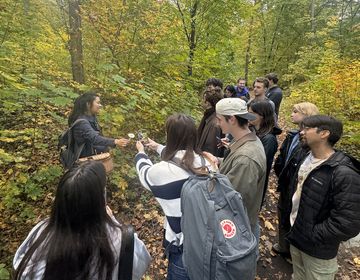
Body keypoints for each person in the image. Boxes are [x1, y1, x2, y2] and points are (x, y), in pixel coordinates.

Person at [13, 161, 151, 280]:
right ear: (100, 199)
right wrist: (113, 220)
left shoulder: (41, 231)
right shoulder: (121, 239)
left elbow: (21, 265)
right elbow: (140, 265)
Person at [135, 114, 215, 280]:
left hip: (184, 247)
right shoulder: (207, 162)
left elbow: (144, 173)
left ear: (169, 136)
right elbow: (182, 156)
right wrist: (157, 147)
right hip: (210, 240)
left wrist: (141, 153)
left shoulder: (162, 171)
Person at [287, 115, 360, 280]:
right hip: (296, 238)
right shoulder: (306, 157)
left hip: (317, 252)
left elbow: (348, 223)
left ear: (324, 133)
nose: (301, 132)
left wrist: (312, 235)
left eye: (307, 129)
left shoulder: (344, 173)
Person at [205, 98, 266, 256]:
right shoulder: (246, 141)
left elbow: (231, 199)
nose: (218, 124)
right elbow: (233, 165)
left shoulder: (246, 159)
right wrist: (217, 160)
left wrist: (210, 175)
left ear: (231, 119)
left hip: (238, 227)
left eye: (219, 119)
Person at [272, 102, 319, 259]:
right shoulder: (293, 134)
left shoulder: (310, 142)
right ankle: (283, 245)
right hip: (286, 182)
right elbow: (285, 156)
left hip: (296, 186)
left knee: (293, 215)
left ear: (307, 115)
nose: (291, 114)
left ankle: (292, 253)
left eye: (295, 112)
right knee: (282, 212)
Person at [68, 92, 129, 158]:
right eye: (98, 103)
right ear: (88, 104)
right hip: (86, 161)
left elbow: (97, 136)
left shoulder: (91, 117)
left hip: (93, 157)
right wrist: (115, 141)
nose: (100, 105)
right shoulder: (82, 122)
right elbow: (95, 138)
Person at [248, 101, 282, 205]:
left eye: (252, 113)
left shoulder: (269, 139)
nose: (248, 115)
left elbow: (261, 164)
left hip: (256, 181)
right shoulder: (254, 130)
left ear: (262, 116)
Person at [197, 86, 224, 157]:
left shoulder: (214, 124)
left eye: (203, 99)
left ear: (207, 103)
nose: (201, 102)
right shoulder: (208, 116)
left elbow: (211, 150)